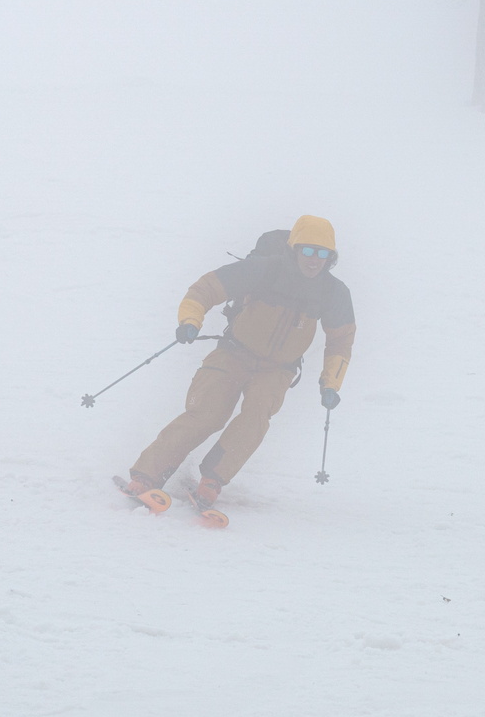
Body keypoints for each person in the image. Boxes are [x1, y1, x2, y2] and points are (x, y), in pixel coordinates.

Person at [124, 215, 355, 508]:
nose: (314, 260)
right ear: (294, 249)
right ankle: (147, 476)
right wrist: (190, 320)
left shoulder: (333, 293)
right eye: (308, 251)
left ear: (330, 258)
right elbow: (205, 289)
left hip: (277, 370)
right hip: (234, 352)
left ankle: (211, 482)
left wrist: (331, 383)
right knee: (206, 414)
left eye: (323, 254)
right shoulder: (263, 270)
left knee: (255, 419)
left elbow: (341, 341)